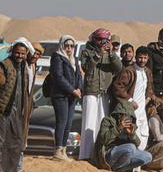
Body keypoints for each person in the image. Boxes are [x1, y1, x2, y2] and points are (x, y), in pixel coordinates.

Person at [79, 28, 122, 161]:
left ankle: (97, 154)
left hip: (104, 93)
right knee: (88, 123)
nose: (102, 42)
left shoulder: (110, 54)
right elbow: (87, 68)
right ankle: (85, 154)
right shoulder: (87, 51)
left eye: (105, 40)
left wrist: (111, 54)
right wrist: (97, 55)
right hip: (91, 91)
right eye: (99, 39)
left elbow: (119, 68)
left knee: (101, 123)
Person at [0, 39, 34, 172]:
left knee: (15, 141)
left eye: (22, 53)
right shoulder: (5, 65)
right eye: (17, 53)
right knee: (1, 141)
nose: (19, 56)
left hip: (18, 109)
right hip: (4, 108)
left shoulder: (24, 67)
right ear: (12, 52)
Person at [111, 45, 154, 153]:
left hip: (142, 109)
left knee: (144, 133)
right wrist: (130, 100)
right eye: (140, 57)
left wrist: (148, 98)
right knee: (130, 133)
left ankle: (139, 160)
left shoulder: (147, 71)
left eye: (145, 58)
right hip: (129, 109)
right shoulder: (129, 71)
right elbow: (117, 87)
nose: (142, 60)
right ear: (136, 56)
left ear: (148, 58)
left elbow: (149, 87)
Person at [91, 101, 151, 172]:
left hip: (123, 155)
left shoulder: (130, 126)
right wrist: (118, 128)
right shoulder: (107, 121)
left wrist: (132, 134)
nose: (128, 119)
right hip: (107, 154)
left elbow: (138, 144)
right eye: (126, 116)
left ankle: (119, 169)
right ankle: (114, 168)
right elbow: (104, 140)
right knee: (130, 147)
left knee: (147, 156)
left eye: (130, 117)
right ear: (119, 114)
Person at [48, 35, 83, 162]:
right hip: (61, 95)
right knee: (61, 122)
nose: (69, 48)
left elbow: (79, 75)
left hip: (72, 97)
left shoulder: (75, 58)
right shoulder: (57, 57)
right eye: (66, 45)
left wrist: (79, 88)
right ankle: (58, 150)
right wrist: (72, 90)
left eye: (71, 46)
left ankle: (63, 150)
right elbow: (58, 77)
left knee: (68, 124)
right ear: (62, 45)